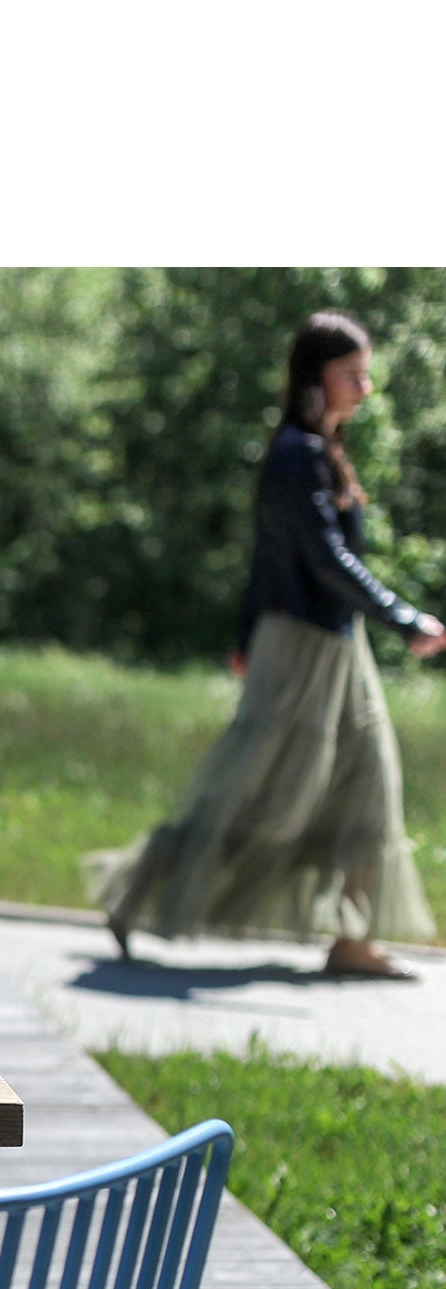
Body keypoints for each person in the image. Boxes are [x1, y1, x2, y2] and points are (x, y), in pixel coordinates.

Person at [89, 311, 446, 979]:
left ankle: (352, 939)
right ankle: (134, 898)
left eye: (367, 374)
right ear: (316, 377)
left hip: (342, 646)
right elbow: (320, 559)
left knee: (371, 782)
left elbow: (279, 557)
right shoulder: (295, 456)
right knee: (259, 793)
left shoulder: (322, 451)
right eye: (352, 375)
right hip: (302, 646)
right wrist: (404, 617)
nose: (365, 389)